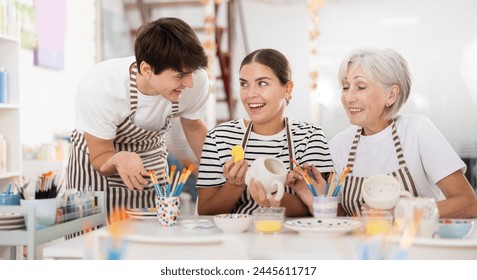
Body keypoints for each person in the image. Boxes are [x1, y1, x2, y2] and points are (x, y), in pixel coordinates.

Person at [295, 48, 477, 218]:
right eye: (345, 87)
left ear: (391, 95)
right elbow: (348, 218)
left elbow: (468, 204)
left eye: (360, 87)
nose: (349, 97)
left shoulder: (417, 131)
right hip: (362, 250)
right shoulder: (339, 145)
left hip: (417, 246)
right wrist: (317, 198)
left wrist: (400, 213)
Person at [67, 17, 209, 221]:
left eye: (192, 72)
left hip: (151, 165)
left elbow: (195, 127)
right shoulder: (101, 86)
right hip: (97, 168)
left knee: (150, 242)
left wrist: (218, 171)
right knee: (94, 246)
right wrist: (119, 157)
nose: (190, 83)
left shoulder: (195, 82)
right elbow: (100, 154)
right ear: (146, 70)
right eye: (180, 75)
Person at [196, 48, 333, 216]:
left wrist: (275, 198)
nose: (250, 94)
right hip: (235, 239)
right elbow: (205, 211)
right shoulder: (219, 138)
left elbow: (318, 208)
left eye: (262, 83)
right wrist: (235, 185)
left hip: (293, 240)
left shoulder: (310, 137)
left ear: (288, 89)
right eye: (244, 84)